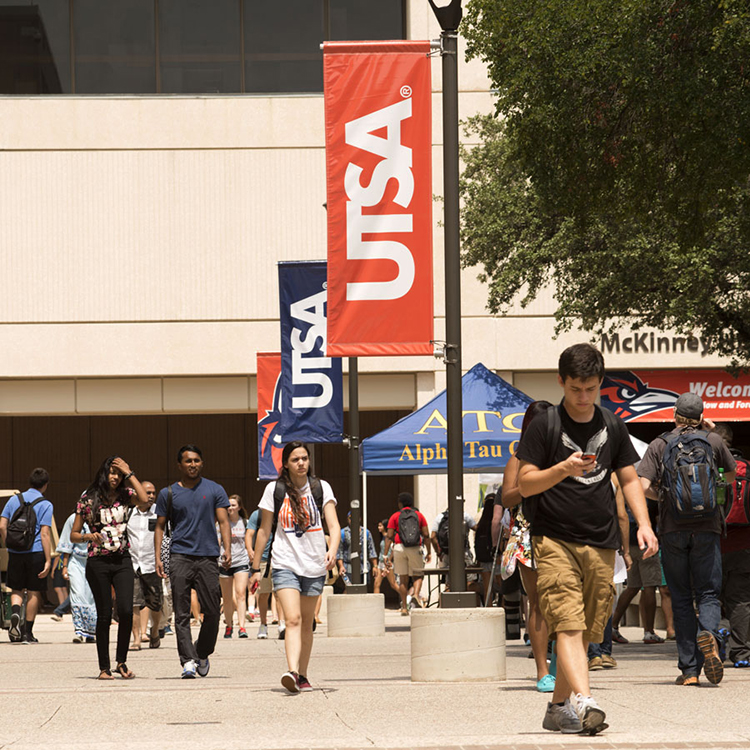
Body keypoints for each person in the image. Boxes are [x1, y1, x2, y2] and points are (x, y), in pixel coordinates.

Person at [517, 343, 658, 735]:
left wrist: (644, 524)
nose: (583, 397)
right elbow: (525, 485)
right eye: (576, 388)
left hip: (600, 541)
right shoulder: (545, 426)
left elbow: (629, 478)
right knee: (567, 623)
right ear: (561, 382)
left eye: (591, 389)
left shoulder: (612, 425)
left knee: (586, 630)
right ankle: (585, 700)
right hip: (553, 538)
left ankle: (558, 706)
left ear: (600, 385)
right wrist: (562, 468)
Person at [638, 393, 736, 686]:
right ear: (701, 415)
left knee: (680, 598)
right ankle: (710, 638)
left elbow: (643, 486)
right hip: (707, 527)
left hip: (672, 528)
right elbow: (731, 477)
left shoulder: (660, 443)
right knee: (707, 593)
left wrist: (665, 497)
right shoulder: (714, 441)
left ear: (675, 415)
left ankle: (690, 670)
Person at [249, 441, 340, 694]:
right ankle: (291, 671)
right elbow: (264, 530)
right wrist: (255, 567)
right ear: (286, 464)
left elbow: (334, 526)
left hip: (314, 564)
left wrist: (332, 550)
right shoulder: (274, 490)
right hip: (284, 562)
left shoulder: (321, 488)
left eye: (304, 458)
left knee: (307, 622)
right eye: (295, 459)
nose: (301, 463)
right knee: (292, 619)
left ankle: (303, 674)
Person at [154, 444, 231, 679]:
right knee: (182, 612)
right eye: (188, 461)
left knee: (213, 613)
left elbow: (224, 521)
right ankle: (187, 661)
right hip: (179, 556)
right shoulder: (168, 493)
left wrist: (226, 548)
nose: (193, 465)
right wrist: (158, 557)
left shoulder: (215, 489)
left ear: (202, 463)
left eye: (197, 460)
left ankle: (202, 651)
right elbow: (159, 526)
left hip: (208, 557)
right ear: (180, 465)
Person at [70, 456, 149, 679]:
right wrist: (88, 535)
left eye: (118, 474)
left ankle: (121, 662)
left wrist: (130, 471)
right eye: (111, 473)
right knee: (104, 615)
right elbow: (73, 535)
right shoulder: (88, 499)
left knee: (125, 610)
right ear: (103, 474)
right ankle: (104, 668)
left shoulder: (126, 496)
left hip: (122, 560)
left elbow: (144, 501)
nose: (114, 477)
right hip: (98, 562)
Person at [499, 402, 555, 692]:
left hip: (561, 532)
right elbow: (507, 498)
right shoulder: (518, 460)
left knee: (565, 600)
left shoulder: (560, 455)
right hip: (528, 536)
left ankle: (561, 658)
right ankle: (543, 670)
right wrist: (531, 484)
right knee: (538, 602)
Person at [0, 468, 53, 643]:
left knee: (16, 588)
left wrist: (10, 544)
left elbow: (2, 525)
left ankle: (15, 613)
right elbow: (45, 534)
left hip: (16, 552)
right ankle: (27, 632)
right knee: (34, 592)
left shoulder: (14, 499)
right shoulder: (45, 504)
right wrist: (48, 559)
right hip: (36, 552)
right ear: (45, 485)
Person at [713, 423, 750, 668]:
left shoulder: (709, 466)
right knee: (741, 599)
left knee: (711, 598)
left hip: (713, 542)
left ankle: (715, 647)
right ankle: (742, 653)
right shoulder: (746, 467)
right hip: (744, 544)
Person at [127, 480, 162, 650]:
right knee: (134, 603)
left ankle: (154, 631)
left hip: (153, 565)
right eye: (147, 493)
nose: (151, 496)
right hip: (133, 565)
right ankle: (137, 638)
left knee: (155, 604)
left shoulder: (159, 513)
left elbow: (167, 538)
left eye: (153, 493)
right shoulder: (128, 514)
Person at [385, 493, 431, 615]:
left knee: (403, 578)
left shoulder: (395, 516)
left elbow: (389, 537)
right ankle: (415, 595)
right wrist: (429, 551)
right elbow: (426, 535)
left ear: (400, 503)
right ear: (412, 503)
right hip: (415, 547)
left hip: (399, 547)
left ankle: (404, 607)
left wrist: (386, 556)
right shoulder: (419, 515)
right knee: (418, 575)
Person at [56, 512, 97, 643]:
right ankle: (78, 631)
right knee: (77, 594)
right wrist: (65, 566)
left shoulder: (101, 516)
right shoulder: (73, 518)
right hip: (76, 562)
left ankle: (91, 632)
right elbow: (67, 543)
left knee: (92, 597)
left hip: (94, 561)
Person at [219, 494, 253, 639]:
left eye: (233, 505)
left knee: (240, 594)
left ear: (239, 507)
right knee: (227, 597)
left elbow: (249, 541)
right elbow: (217, 542)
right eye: (228, 505)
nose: (230, 508)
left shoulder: (245, 522)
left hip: (241, 561)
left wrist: (251, 553)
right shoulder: (221, 523)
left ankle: (242, 627)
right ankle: (229, 626)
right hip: (225, 562)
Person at [247, 504, 275, 639]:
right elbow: (249, 534)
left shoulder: (283, 511)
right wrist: (250, 550)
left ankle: (282, 622)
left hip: (281, 557)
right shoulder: (257, 514)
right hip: (264, 558)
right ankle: (263, 624)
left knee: (281, 593)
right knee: (263, 594)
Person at [336, 511, 377, 585]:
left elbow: (371, 550)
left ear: (359, 519)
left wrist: (375, 566)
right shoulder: (343, 533)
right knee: (350, 589)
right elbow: (339, 551)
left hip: (363, 567)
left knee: (363, 590)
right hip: (348, 567)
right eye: (350, 518)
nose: (352, 520)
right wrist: (341, 566)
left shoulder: (366, 532)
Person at [373, 519, 398, 596]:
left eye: (380, 526)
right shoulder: (383, 537)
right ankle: (376, 603)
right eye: (378, 526)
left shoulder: (390, 537)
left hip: (387, 563)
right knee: (376, 583)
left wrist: (388, 562)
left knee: (393, 584)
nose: (379, 527)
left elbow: (393, 550)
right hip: (381, 562)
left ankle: (406, 598)